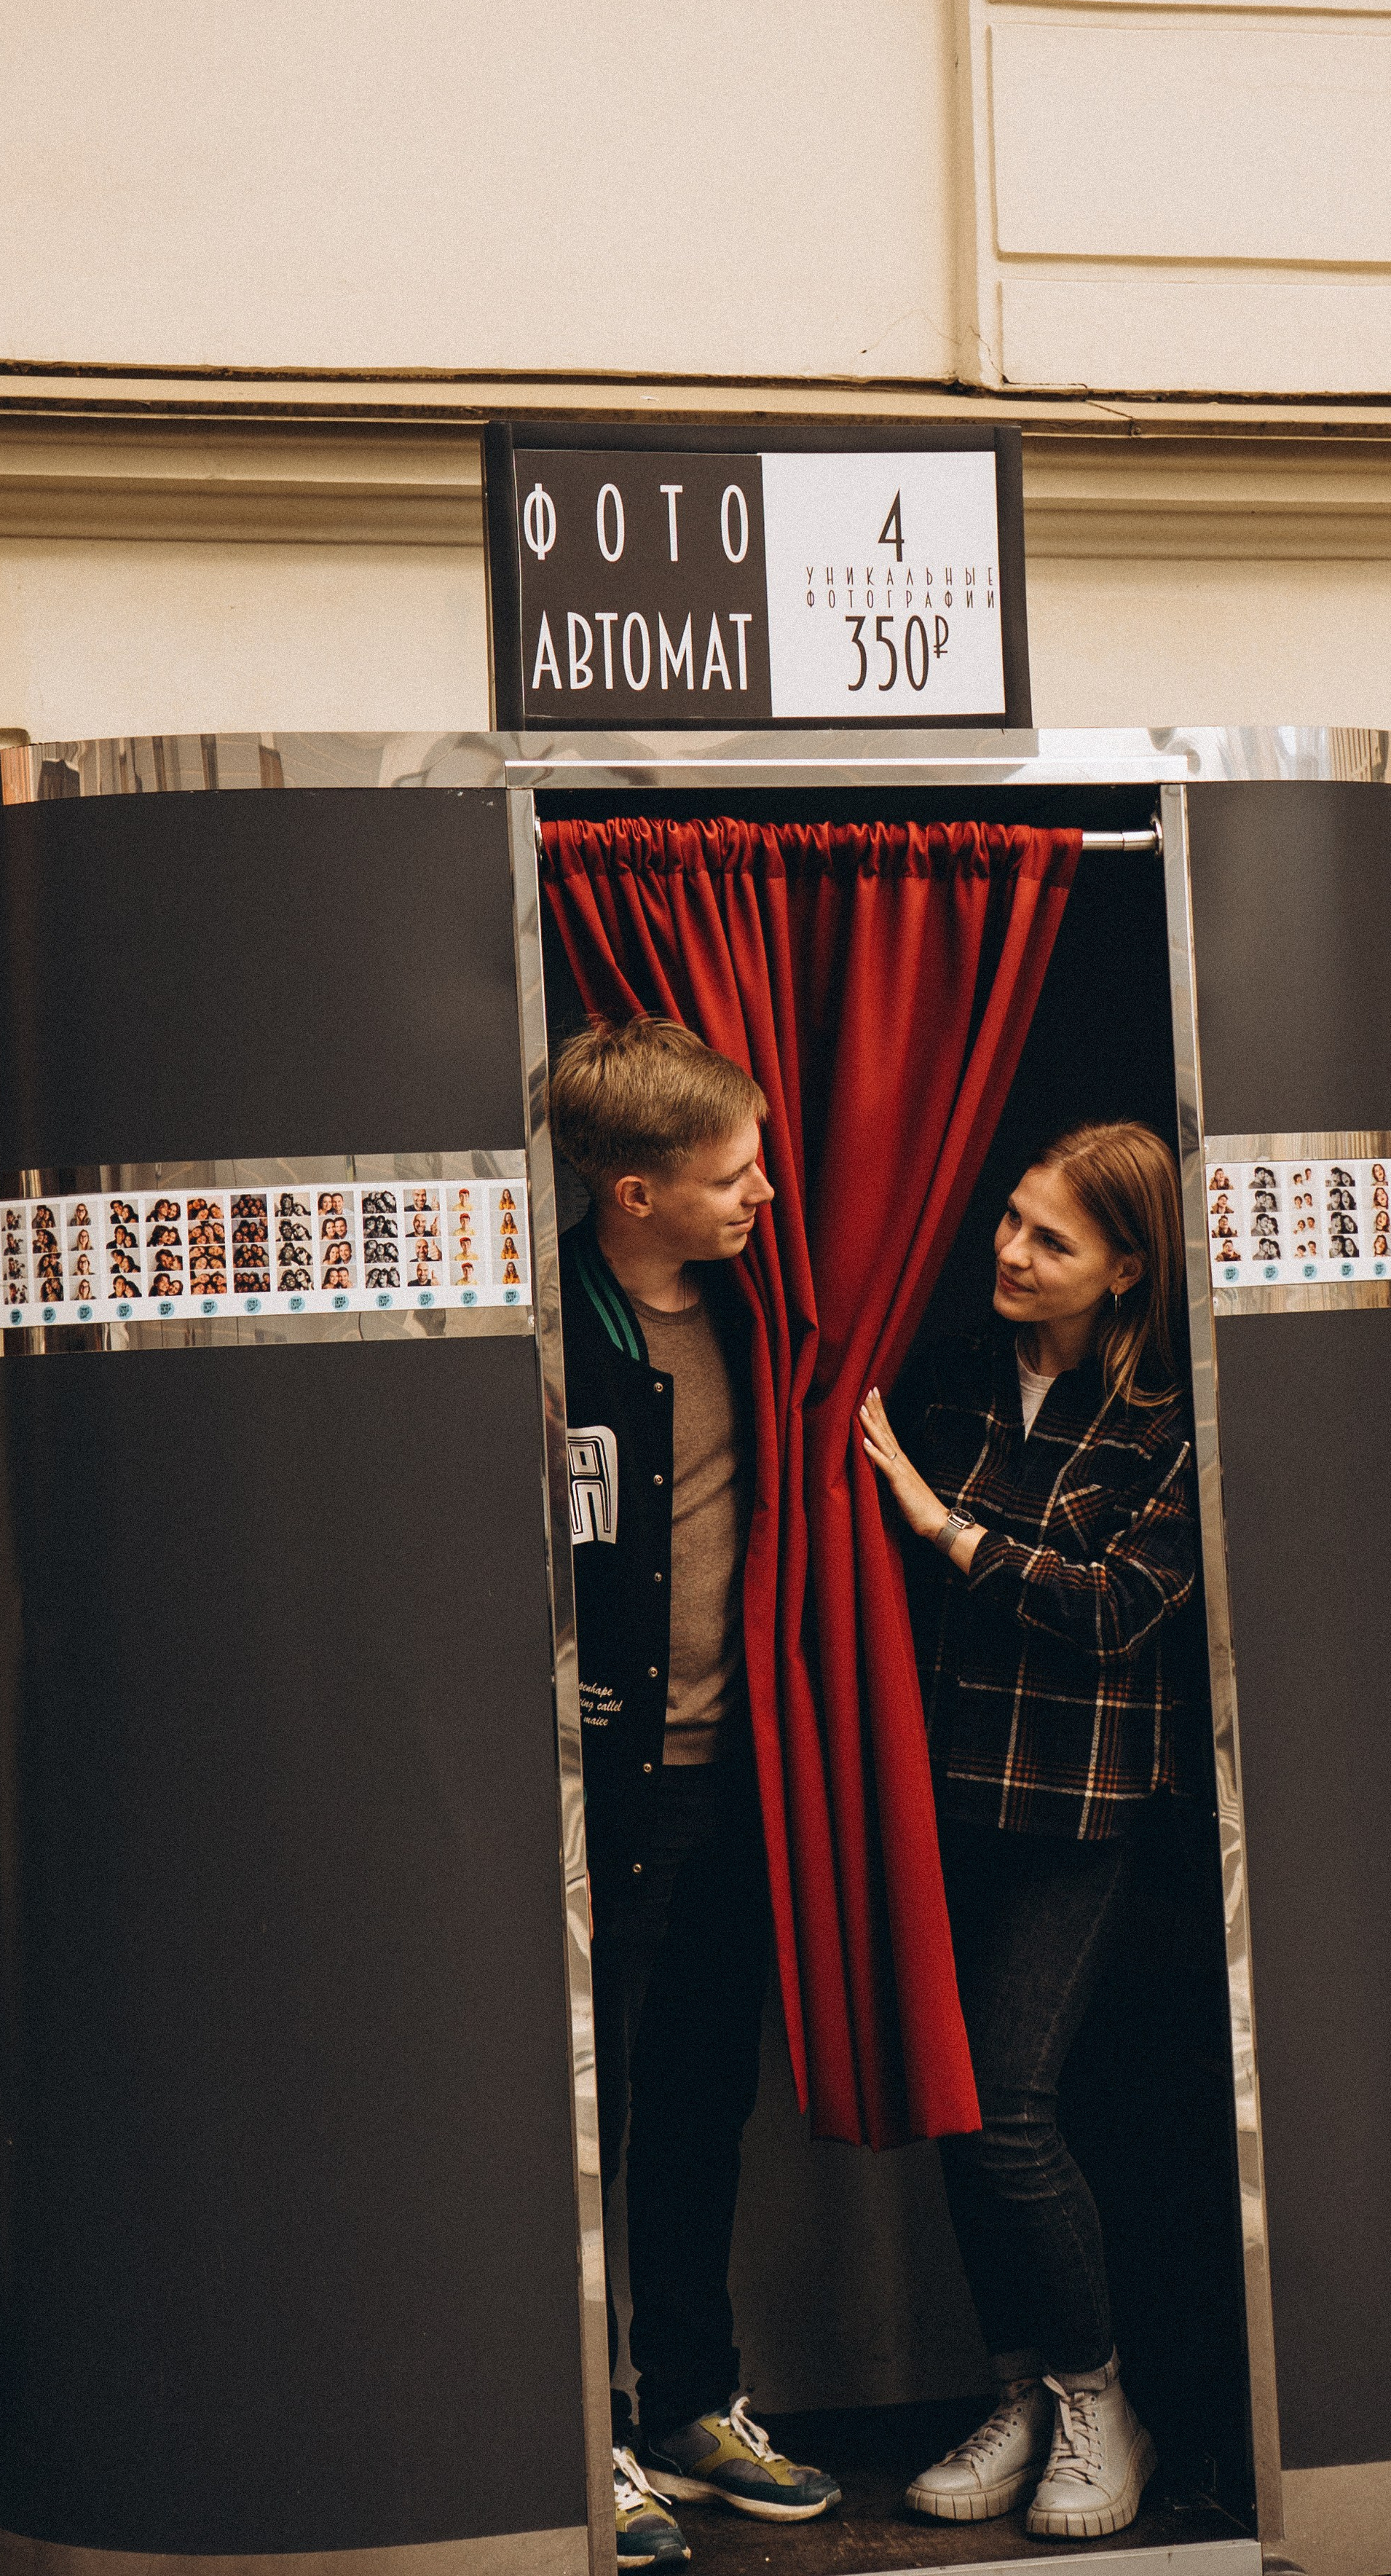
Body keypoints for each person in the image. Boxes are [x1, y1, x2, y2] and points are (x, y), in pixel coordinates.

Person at [859, 1119, 1199, 2546]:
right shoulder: (946, 1379)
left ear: (1124, 1269)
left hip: (1079, 1807)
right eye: (1006, 1218)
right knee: (953, 2104)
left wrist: (943, 1530)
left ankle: (1092, 2396)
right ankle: (1017, 2388)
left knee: (1007, 2108)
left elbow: (1116, 1606)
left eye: (1049, 1239)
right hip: (942, 1790)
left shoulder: (1168, 1420)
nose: (1007, 1250)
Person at [550, 1012, 841, 2572]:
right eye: (731, 1178)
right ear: (632, 1193)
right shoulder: (554, 1337)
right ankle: (576, 2425)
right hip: (601, 1796)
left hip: (735, 1789)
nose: (764, 1201)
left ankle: (690, 2402)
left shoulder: (767, 1321)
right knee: (580, 2120)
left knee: (699, 2114)